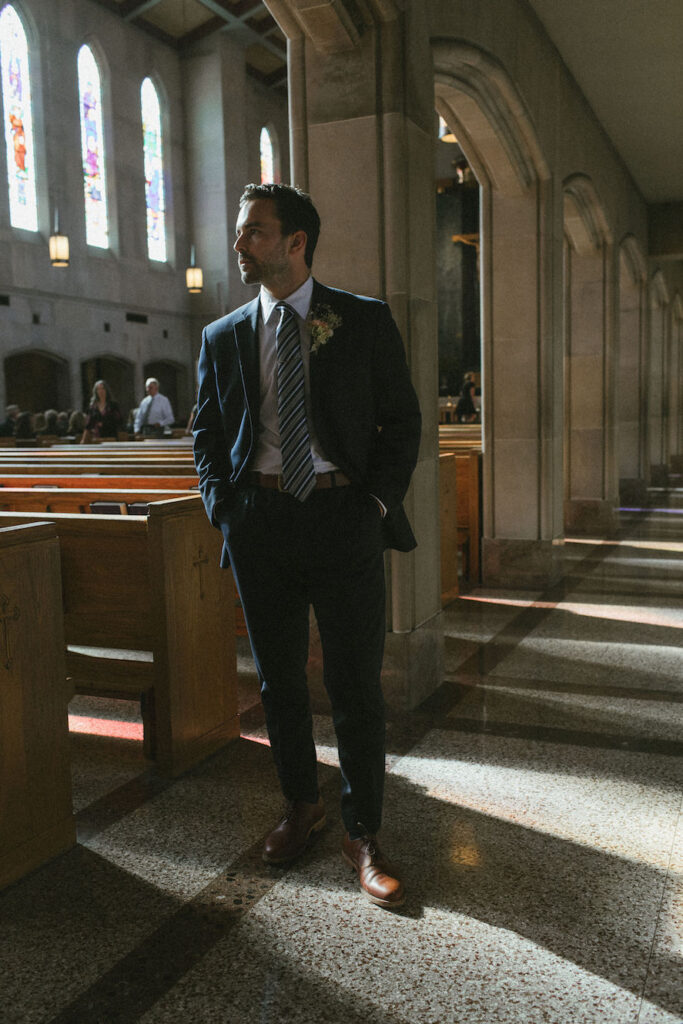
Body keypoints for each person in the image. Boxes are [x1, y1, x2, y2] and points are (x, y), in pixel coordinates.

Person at [193, 183, 421, 909]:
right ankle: (302, 805)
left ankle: (363, 831)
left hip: (340, 517)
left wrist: (374, 504)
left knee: (353, 684)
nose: (240, 245)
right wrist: (224, 510)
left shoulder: (360, 320)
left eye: (254, 232)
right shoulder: (223, 335)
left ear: (296, 242)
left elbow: (402, 421)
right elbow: (205, 433)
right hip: (261, 523)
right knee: (278, 682)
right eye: (241, 232)